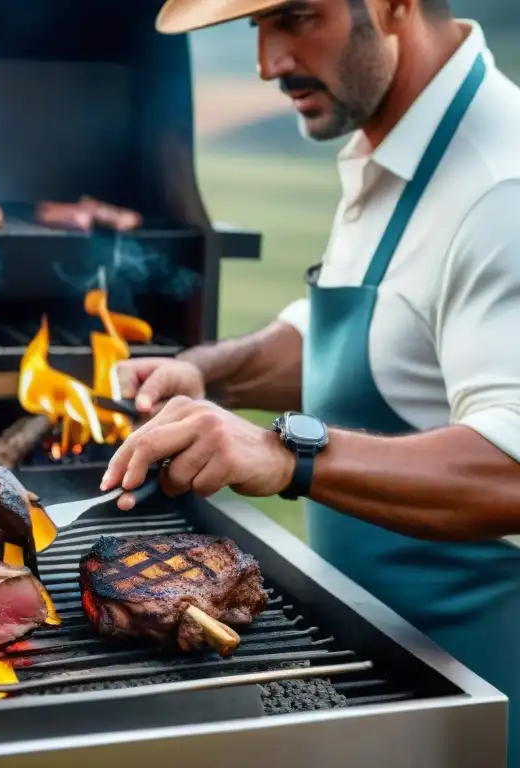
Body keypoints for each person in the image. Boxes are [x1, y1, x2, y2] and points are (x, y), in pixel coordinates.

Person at [102, 0, 520, 760]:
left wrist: (284, 454)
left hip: (480, 699)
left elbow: (512, 469)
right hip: (382, 670)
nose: (268, 63)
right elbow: (377, 340)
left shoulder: (500, 184)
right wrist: (205, 371)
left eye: (296, 18)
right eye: (254, 29)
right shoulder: (396, 141)